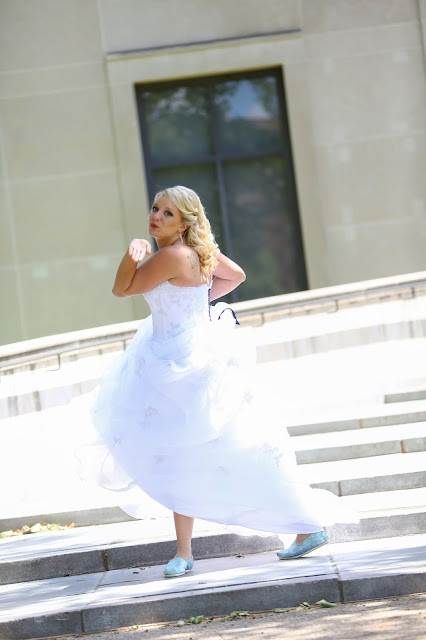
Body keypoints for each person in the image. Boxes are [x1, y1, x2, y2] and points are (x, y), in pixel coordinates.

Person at [76, 185, 357, 579]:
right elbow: (235, 275)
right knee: (190, 450)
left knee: (186, 451)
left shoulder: (171, 256)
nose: (156, 216)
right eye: (155, 208)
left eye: (168, 213)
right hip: (198, 350)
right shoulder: (199, 251)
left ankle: (207, 547)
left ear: (183, 223)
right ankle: (201, 547)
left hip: (176, 361)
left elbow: (121, 288)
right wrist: (198, 304)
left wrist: (131, 256)